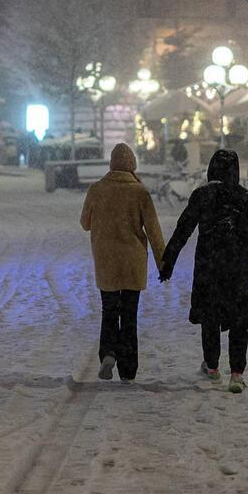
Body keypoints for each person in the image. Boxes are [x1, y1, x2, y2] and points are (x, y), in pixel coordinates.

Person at [159, 149, 248, 394]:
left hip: (209, 268)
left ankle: (212, 367)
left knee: (210, 318)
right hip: (238, 270)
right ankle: (237, 373)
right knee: (239, 321)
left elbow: (183, 230)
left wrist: (167, 262)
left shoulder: (202, 196)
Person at [79, 142, 167, 383]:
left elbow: (85, 222)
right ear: (132, 166)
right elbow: (154, 231)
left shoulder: (96, 189)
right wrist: (163, 263)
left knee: (109, 311)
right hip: (132, 263)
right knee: (129, 315)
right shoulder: (140, 192)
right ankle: (128, 368)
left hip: (106, 262)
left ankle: (108, 352)